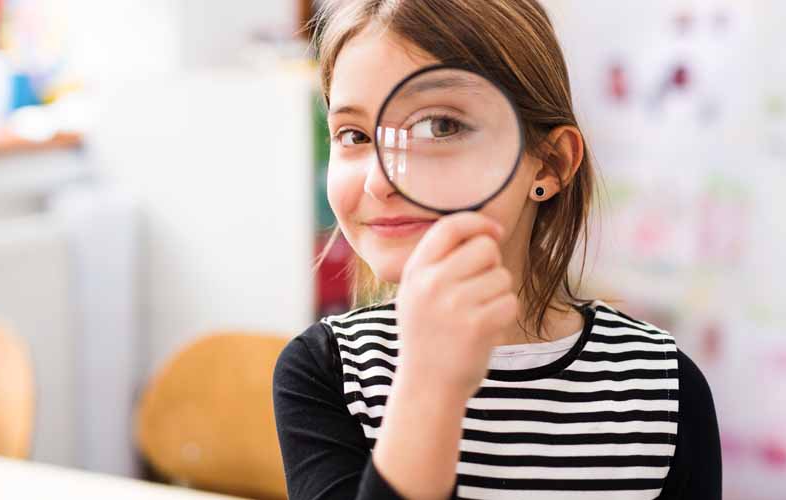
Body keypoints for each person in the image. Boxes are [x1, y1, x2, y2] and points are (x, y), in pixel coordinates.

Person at [273, 1, 721, 498]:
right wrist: (430, 385)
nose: (380, 180)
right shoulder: (329, 371)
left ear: (549, 164)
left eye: (438, 127)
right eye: (353, 135)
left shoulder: (663, 388)